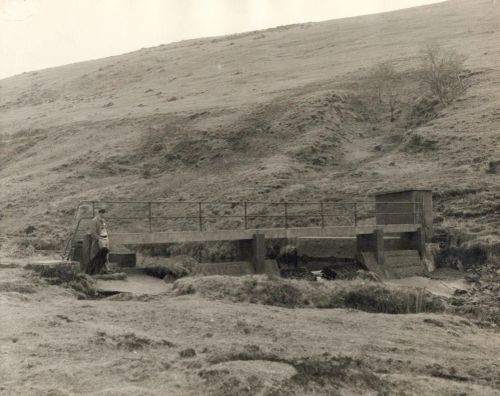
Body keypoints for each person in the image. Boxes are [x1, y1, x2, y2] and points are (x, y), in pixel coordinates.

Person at [87, 208, 111, 274]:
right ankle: (105, 269)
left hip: (106, 238)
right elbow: (93, 232)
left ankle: (106, 268)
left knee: (107, 254)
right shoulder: (94, 220)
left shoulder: (103, 220)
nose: (105, 215)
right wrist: (99, 239)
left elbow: (104, 229)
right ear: (100, 213)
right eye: (104, 213)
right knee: (102, 254)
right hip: (101, 238)